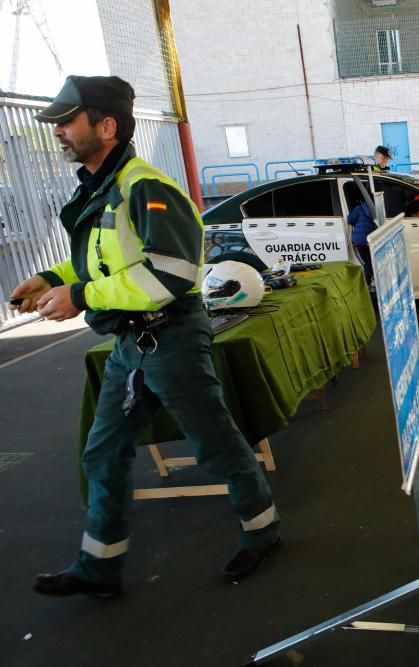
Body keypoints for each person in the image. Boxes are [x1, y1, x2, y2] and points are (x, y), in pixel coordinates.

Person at [8, 75, 280, 599]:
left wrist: (83, 295)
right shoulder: (103, 187)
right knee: (102, 454)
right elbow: (108, 260)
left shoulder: (144, 186)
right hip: (132, 345)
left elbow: (172, 275)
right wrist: (54, 278)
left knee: (217, 446)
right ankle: (98, 567)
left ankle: (263, 530)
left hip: (171, 338)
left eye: (68, 121)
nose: (59, 132)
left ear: (105, 126)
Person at [348, 199, 376, 285]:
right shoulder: (376, 209)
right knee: (370, 261)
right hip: (371, 239)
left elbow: (349, 220)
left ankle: (366, 284)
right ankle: (369, 282)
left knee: (367, 261)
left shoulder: (359, 208)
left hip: (359, 240)